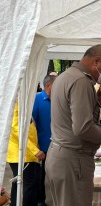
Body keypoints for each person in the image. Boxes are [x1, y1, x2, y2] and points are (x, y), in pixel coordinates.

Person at [45, 44, 101, 206]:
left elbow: (72, 116)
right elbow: (83, 128)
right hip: (73, 159)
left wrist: (97, 101)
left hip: (59, 154)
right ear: (97, 61)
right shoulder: (81, 81)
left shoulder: (65, 77)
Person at [7, 102, 45, 206]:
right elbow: (16, 130)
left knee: (18, 184)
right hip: (23, 154)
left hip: (22, 153)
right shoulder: (16, 103)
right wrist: (35, 150)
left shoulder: (19, 101)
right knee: (29, 187)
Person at [32, 74, 56, 206]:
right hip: (43, 146)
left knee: (53, 176)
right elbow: (32, 124)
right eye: (56, 85)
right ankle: (41, 201)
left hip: (57, 145)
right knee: (41, 177)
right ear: (47, 86)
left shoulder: (58, 99)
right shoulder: (37, 99)